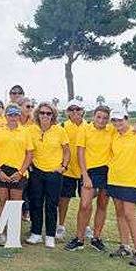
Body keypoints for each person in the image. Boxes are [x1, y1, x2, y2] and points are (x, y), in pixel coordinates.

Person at [107, 110, 136, 266]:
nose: (117, 123)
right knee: (120, 213)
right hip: (115, 179)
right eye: (114, 120)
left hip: (132, 182)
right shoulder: (114, 134)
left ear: (126, 119)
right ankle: (124, 246)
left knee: (129, 214)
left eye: (120, 120)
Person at [65, 105, 113, 252]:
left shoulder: (112, 130)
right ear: (93, 116)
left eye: (105, 118)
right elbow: (80, 153)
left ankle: (96, 238)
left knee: (102, 205)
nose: (101, 120)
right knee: (85, 205)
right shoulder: (84, 129)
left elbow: (129, 128)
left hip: (107, 171)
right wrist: (85, 176)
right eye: (99, 117)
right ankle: (79, 239)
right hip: (89, 172)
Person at [0, 103, 34, 246]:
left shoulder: (25, 132)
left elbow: (29, 153)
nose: (13, 117)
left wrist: (20, 172)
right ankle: (0, 232)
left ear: (19, 116)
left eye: (15, 115)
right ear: (6, 116)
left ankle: (13, 233)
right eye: (10, 115)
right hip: (1, 169)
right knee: (2, 200)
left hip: (18, 171)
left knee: (15, 203)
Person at [26, 102, 69, 248]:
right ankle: (36, 233)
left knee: (51, 204)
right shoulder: (31, 130)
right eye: (42, 113)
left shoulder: (59, 131)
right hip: (36, 172)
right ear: (37, 114)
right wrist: (30, 166)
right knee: (36, 202)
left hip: (54, 173)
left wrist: (63, 166)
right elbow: (28, 150)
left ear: (53, 116)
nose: (45, 115)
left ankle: (50, 235)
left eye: (48, 113)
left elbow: (67, 150)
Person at [57, 99, 87, 240]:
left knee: (86, 202)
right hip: (67, 170)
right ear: (67, 112)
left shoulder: (90, 127)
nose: (75, 112)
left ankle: (85, 226)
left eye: (78, 109)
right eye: (71, 109)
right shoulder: (62, 126)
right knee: (64, 200)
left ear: (83, 111)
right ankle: (61, 226)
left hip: (85, 171)